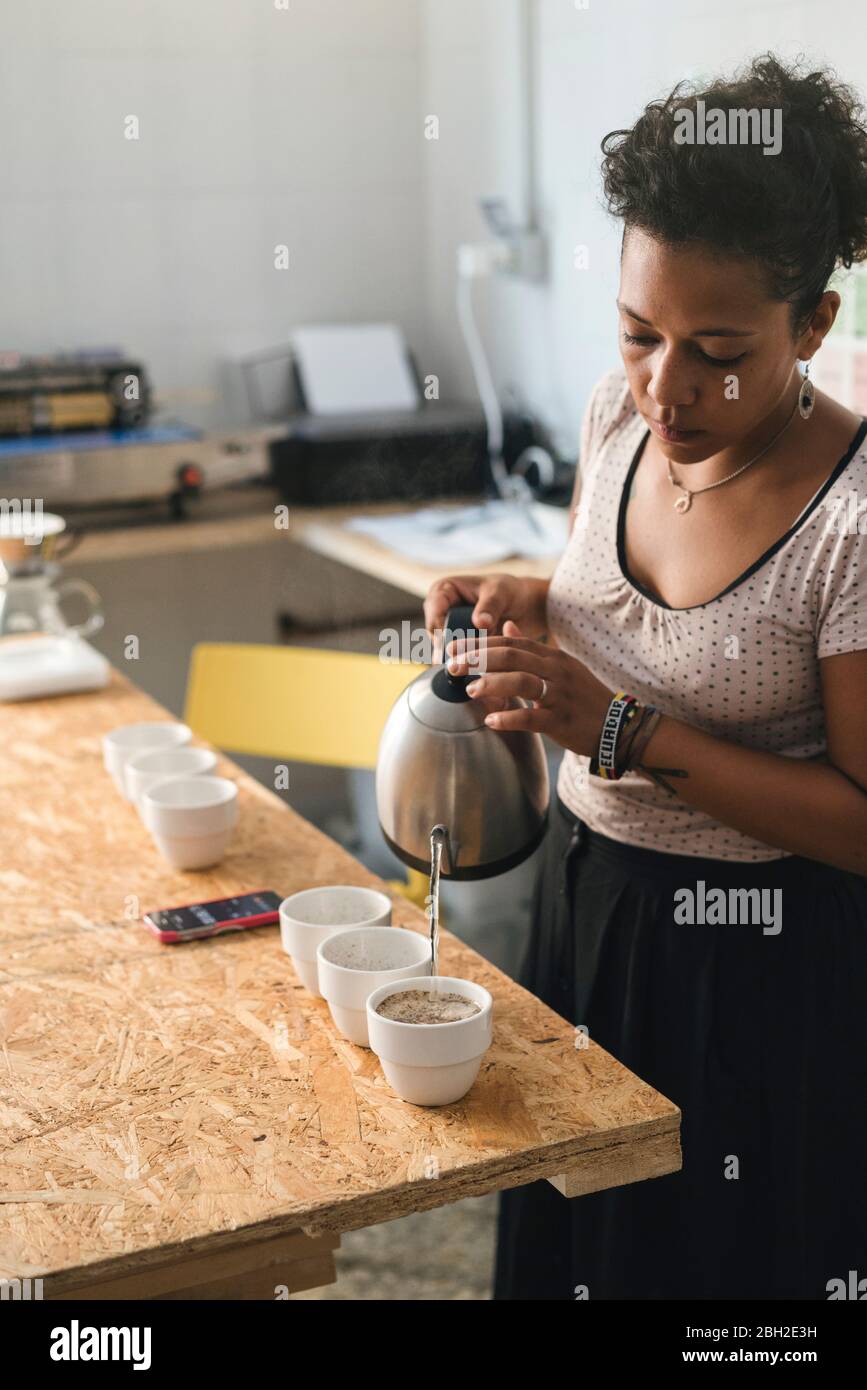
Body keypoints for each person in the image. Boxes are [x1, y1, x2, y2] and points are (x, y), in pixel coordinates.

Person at [423, 53, 867, 1300]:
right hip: (587, 905)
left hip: (755, 970)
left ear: (816, 326)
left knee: (712, 1274)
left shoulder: (851, 526)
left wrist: (624, 730)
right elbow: (614, 606)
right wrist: (537, 597)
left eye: (716, 349)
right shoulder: (614, 425)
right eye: (637, 333)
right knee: (578, 1247)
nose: (663, 388)